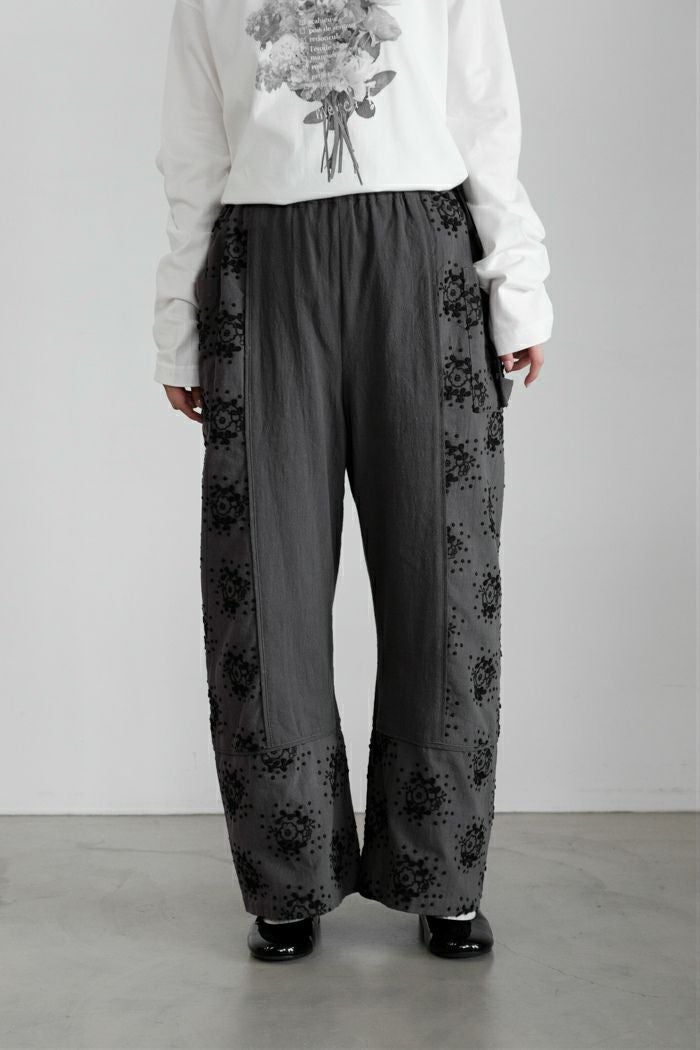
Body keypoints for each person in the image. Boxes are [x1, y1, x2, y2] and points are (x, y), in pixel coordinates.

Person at [153, 0, 552, 962]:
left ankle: (440, 872)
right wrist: (178, 316)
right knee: (264, 574)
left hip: (422, 257)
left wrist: (519, 284)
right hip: (264, 264)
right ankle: (288, 876)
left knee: (443, 571)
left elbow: (483, 113)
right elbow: (193, 147)